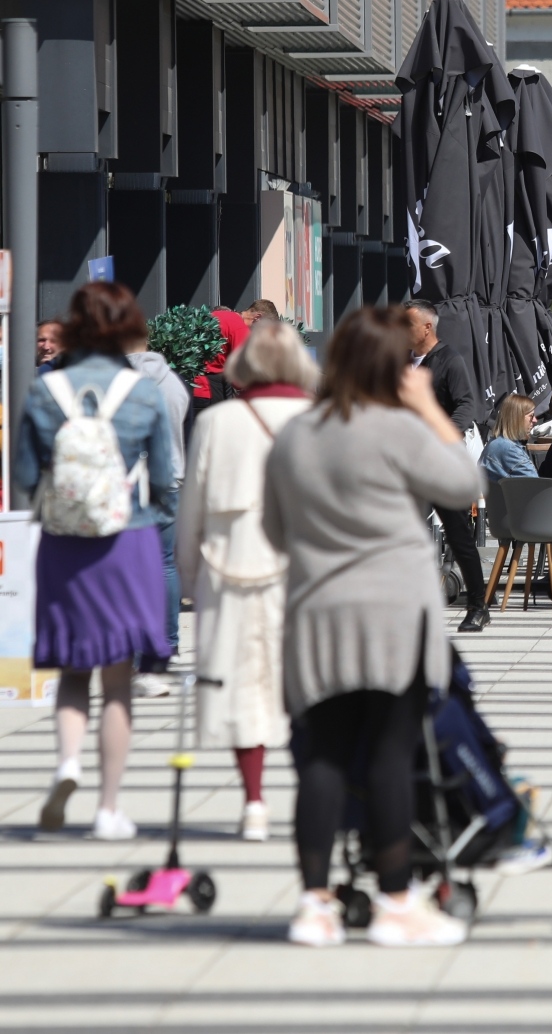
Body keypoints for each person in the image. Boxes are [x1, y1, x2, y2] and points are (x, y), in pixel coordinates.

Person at [263, 306, 480, 948]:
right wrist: (430, 410)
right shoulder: (398, 428)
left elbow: (275, 531)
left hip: (317, 617)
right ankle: (394, 903)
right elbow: (465, 481)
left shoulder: (298, 435)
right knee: (390, 755)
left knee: (323, 758)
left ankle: (314, 904)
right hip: (393, 618)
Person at [21, 282, 177, 840]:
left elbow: (24, 474)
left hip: (64, 541)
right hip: (126, 539)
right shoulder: (143, 392)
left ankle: (66, 764)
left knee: (71, 669)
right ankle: (109, 808)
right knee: (117, 681)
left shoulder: (45, 391)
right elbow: (163, 477)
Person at [179, 319, 317, 842]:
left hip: (229, 567)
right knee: (304, 687)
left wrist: (192, 582)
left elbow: (190, 513)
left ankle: (253, 801)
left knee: (240, 691)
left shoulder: (218, 422)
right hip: (304, 572)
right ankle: (312, 792)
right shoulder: (320, 418)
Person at [405, 299, 490, 634]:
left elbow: (466, 404)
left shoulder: (448, 359)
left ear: (427, 327)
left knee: (457, 534)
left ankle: (478, 606)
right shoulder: (401, 360)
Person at [125, 324, 191, 699]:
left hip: (130, 484)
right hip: (171, 480)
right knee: (166, 564)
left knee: (132, 566)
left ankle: (135, 649)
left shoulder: (119, 383)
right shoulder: (174, 382)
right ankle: (169, 642)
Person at [187, 307, 251, 437]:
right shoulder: (237, 325)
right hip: (210, 390)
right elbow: (241, 371)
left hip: (189, 387)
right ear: (258, 318)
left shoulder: (210, 316)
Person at [480, 392, 541, 482]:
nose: (535, 420)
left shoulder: (497, 443)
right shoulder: (509, 449)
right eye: (531, 416)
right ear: (517, 418)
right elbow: (535, 484)